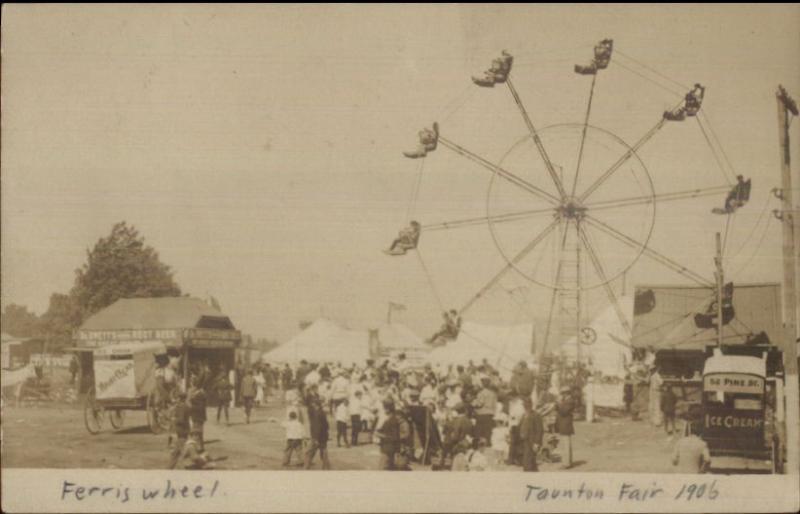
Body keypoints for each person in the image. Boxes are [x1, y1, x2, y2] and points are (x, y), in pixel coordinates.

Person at [304, 393, 331, 470]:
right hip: (323, 437)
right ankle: (326, 468)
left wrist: (315, 438)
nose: (312, 406)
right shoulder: (322, 413)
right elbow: (326, 426)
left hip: (317, 437)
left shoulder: (317, 414)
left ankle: (306, 467)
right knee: (324, 453)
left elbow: (317, 427)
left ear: (316, 405)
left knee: (308, 453)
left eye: (313, 404)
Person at [518, 397, 544, 472]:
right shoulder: (524, 415)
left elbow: (540, 430)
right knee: (530, 463)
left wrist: (537, 443)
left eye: (527, 404)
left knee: (527, 463)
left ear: (531, 405)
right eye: (524, 405)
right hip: (524, 442)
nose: (525, 406)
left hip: (531, 442)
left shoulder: (536, 415)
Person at [168, 391, 191, 469]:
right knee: (177, 453)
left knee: (180, 453)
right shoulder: (185, 406)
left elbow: (181, 420)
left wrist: (174, 419)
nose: (175, 400)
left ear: (180, 399)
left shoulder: (181, 407)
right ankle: (169, 468)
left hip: (181, 431)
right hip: (183, 432)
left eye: (177, 398)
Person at [376, 400, 401, 470]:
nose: (384, 410)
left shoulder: (393, 420)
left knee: (382, 468)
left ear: (389, 409)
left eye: (385, 408)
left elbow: (394, 437)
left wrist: (380, 435)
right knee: (389, 467)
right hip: (387, 447)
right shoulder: (389, 419)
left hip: (388, 448)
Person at [555, 388, 576, 467]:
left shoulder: (570, 401)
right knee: (565, 443)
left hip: (566, 423)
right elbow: (558, 409)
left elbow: (564, 412)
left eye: (563, 393)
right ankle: (567, 462)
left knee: (566, 444)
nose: (562, 395)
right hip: (563, 423)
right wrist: (557, 403)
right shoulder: (566, 401)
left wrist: (559, 403)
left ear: (567, 393)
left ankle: (567, 463)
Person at [473, 378, 497, 443]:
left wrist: (473, 403)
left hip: (482, 414)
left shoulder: (481, 393)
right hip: (490, 414)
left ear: (482, 384)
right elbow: (495, 405)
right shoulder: (493, 394)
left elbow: (479, 404)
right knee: (488, 433)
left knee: (479, 433)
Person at [188, 375, 207, 452]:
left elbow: (192, 404)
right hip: (199, 416)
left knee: (195, 432)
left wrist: (191, 406)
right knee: (199, 432)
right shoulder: (201, 393)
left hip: (196, 415)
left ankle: (196, 449)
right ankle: (201, 448)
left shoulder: (195, 394)